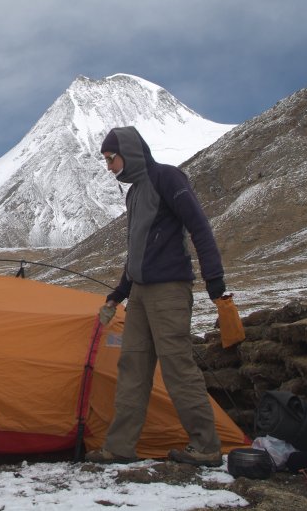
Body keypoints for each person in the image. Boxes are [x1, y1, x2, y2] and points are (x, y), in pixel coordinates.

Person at [86, 126, 227, 467]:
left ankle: (206, 446)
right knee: (132, 366)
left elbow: (199, 226)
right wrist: (119, 293)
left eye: (110, 158)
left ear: (128, 152)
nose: (109, 167)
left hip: (169, 291)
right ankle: (120, 447)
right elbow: (138, 249)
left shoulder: (168, 178)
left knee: (177, 366)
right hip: (140, 295)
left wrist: (215, 279)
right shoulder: (134, 192)